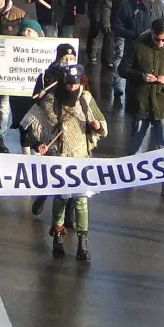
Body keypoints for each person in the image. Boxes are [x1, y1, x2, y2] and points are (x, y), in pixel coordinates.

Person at [20, 63, 105, 261]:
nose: (71, 88)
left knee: (81, 201)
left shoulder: (86, 99)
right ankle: (57, 237)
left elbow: (102, 125)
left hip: (81, 158)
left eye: (75, 85)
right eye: (68, 84)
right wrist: (38, 143)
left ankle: (83, 242)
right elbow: (28, 124)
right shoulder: (50, 100)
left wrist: (97, 126)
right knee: (60, 199)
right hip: (58, 157)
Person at [117, 18, 164, 197]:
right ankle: (130, 176)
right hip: (140, 104)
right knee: (135, 144)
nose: (160, 43)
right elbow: (122, 69)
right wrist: (141, 76)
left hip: (162, 105)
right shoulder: (137, 46)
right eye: (157, 39)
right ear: (151, 33)